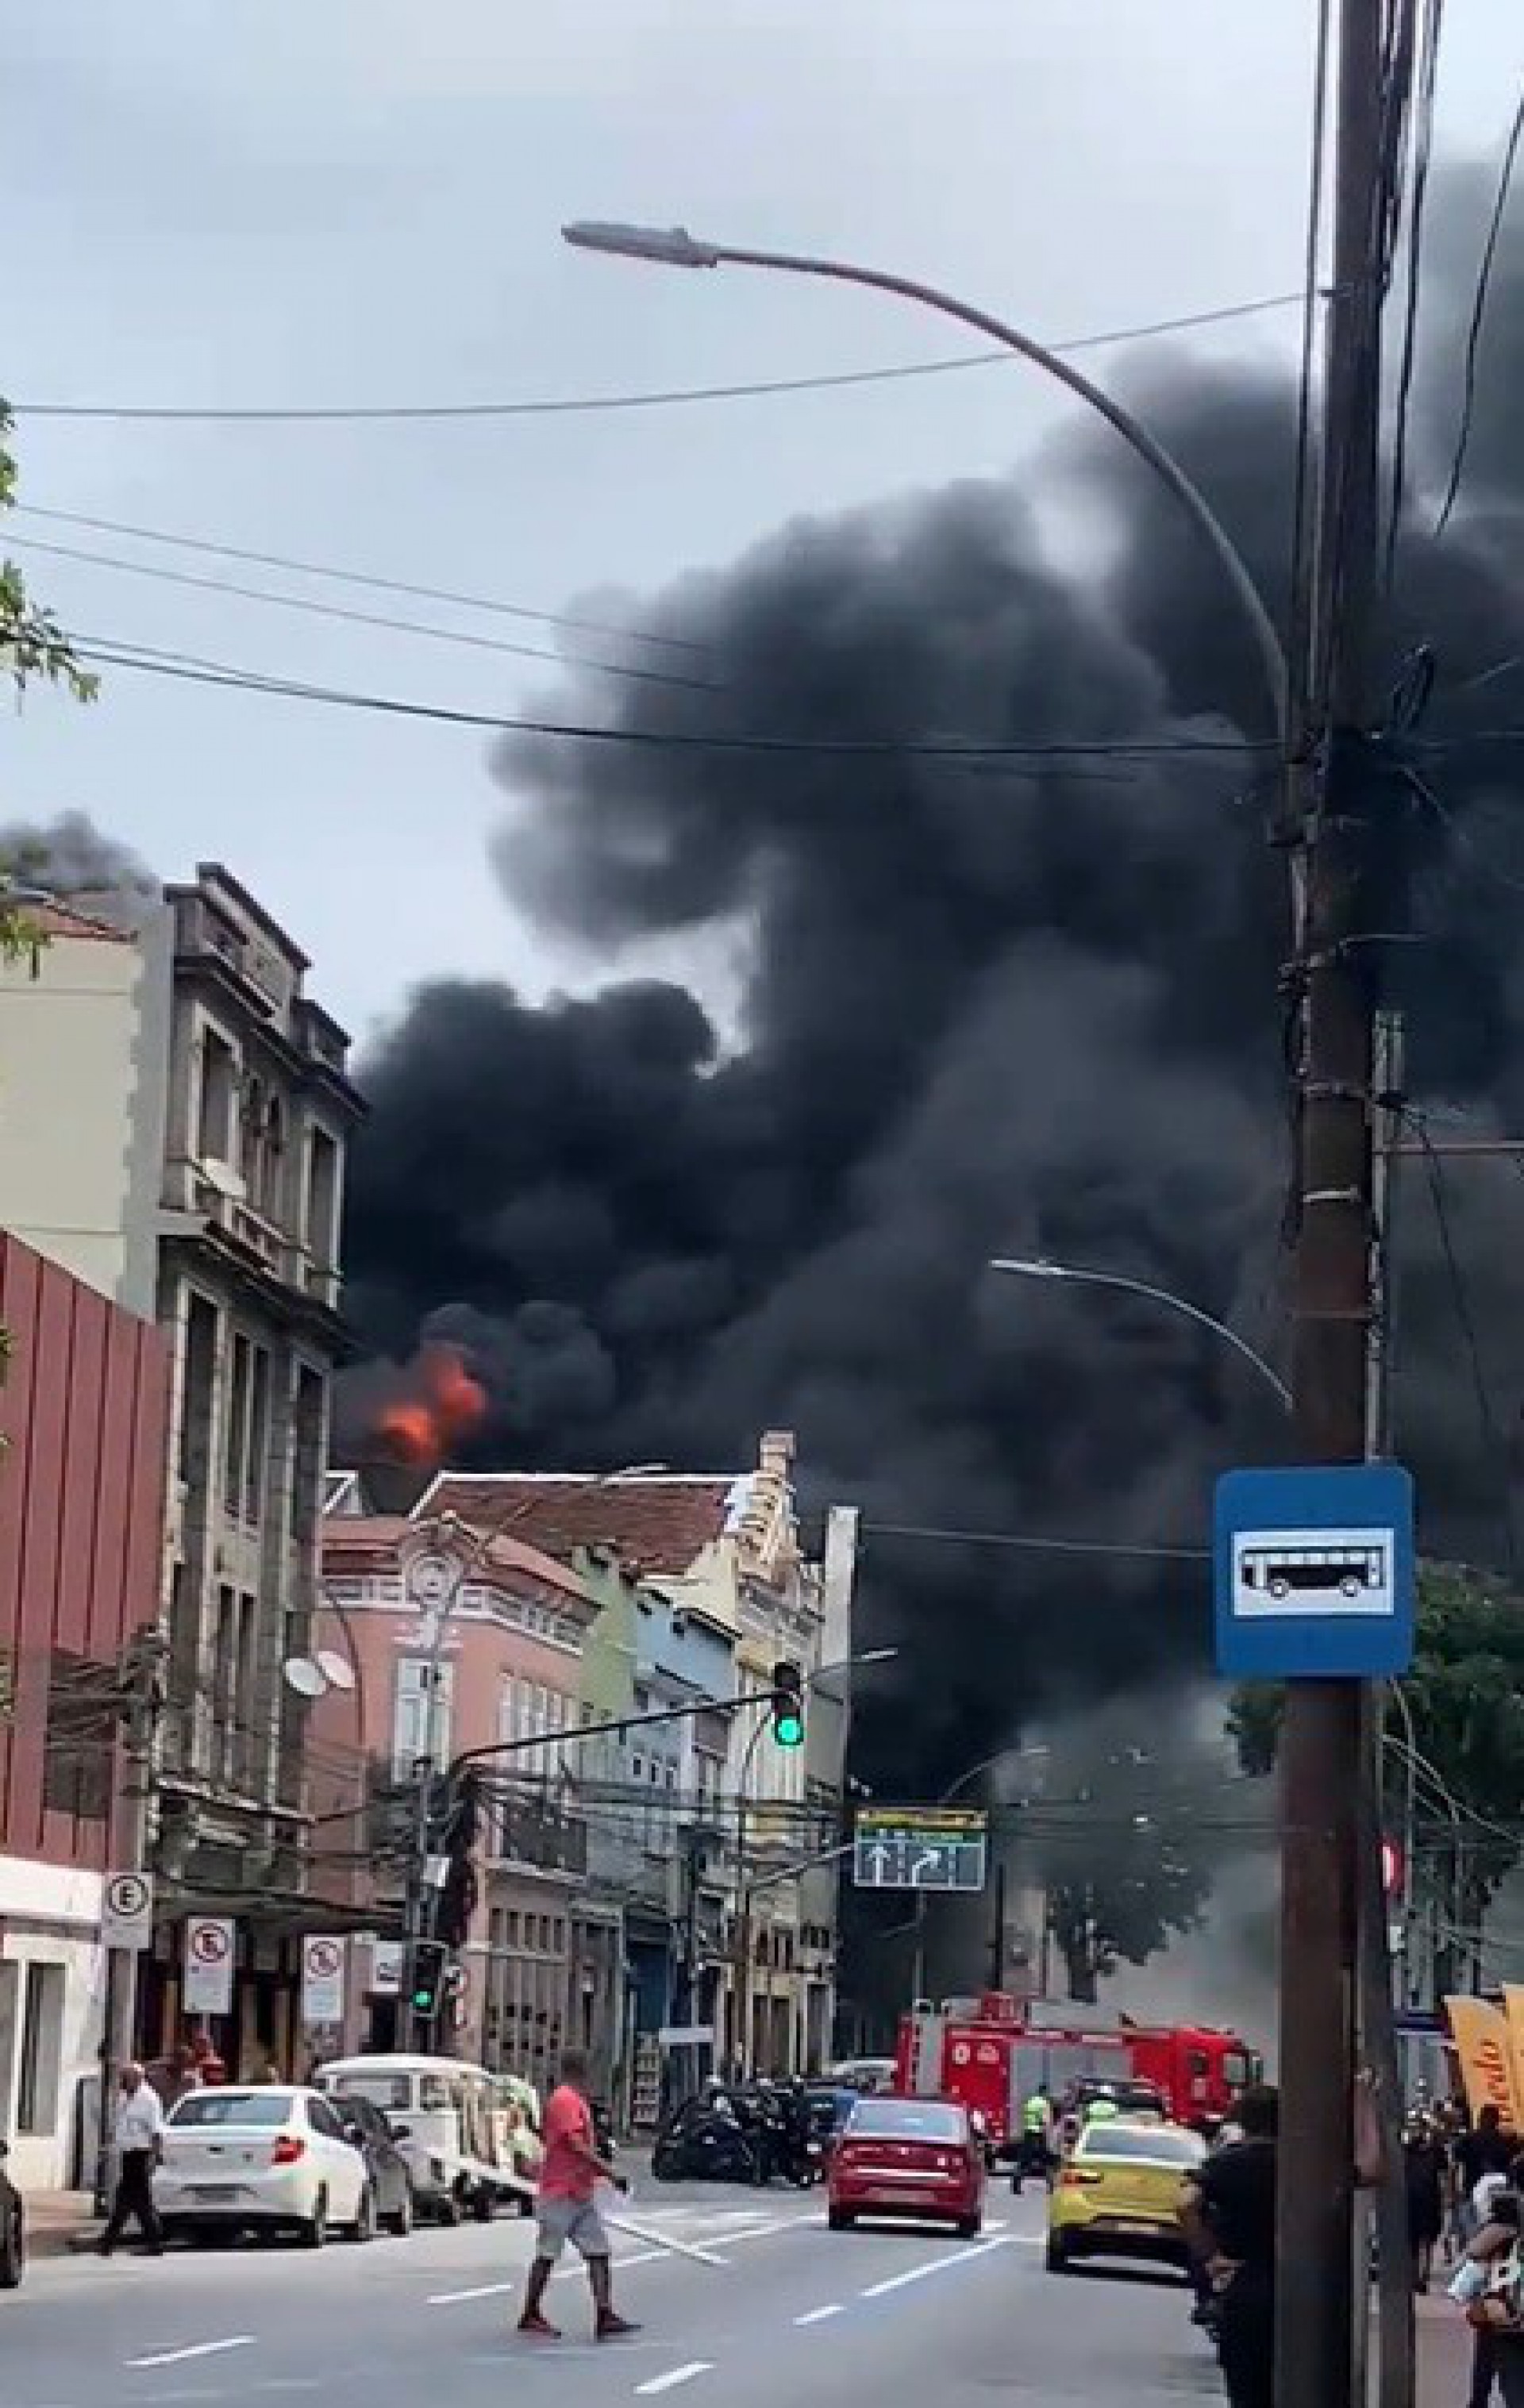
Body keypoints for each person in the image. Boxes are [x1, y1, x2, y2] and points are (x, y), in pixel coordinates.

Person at [518, 2048, 637, 2343]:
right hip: (560, 2192)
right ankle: (530, 2312)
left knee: (598, 2253)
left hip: (580, 2192)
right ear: (582, 2069)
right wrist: (609, 2172)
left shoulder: (574, 2099)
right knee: (547, 2255)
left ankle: (604, 2313)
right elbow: (574, 2144)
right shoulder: (565, 2100)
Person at [1181, 2083, 1278, 2408]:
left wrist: (1210, 2257)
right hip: (1302, 2293)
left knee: (1246, 2389)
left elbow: (1186, 2203)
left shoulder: (1228, 2163)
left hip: (1246, 2285)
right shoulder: (1303, 2166)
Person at [98, 2063, 166, 2258]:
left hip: (141, 2154)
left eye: (125, 2077)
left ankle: (109, 2243)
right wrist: (109, 2147)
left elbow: (156, 2131)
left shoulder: (149, 2099)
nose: (122, 2081)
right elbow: (119, 2124)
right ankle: (151, 2242)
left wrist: (154, 2156)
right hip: (127, 2154)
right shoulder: (123, 2097)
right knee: (134, 2201)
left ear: (137, 2078)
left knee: (130, 2200)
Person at [1406, 2114, 1448, 2291]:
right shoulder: (1408, 2150)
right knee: (1415, 2240)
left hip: (1429, 2199)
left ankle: (1422, 2275)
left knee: (1426, 2239)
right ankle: (1417, 2275)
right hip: (1415, 2199)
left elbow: (1444, 2175)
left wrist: (1447, 2196)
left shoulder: (1435, 2151)